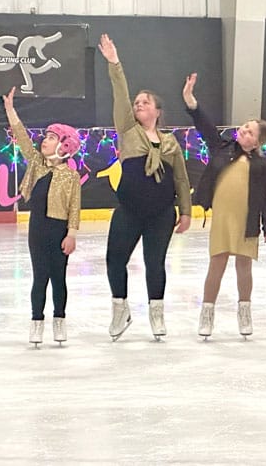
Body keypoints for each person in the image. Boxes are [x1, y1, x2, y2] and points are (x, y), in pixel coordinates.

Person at [97, 33, 192, 341]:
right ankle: (120, 308)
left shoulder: (170, 143)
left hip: (161, 213)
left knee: (155, 263)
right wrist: (115, 63)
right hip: (129, 210)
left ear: (157, 111)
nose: (138, 104)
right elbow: (120, 93)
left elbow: (181, 179)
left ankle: (156, 312)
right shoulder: (128, 131)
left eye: (145, 102)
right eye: (136, 102)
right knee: (115, 259)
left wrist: (186, 212)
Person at [182, 73, 266, 340]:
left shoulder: (262, 165)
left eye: (250, 132)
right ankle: (207, 312)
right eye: (244, 127)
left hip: (247, 220)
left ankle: (244, 311)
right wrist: (191, 101)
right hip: (223, 219)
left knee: (244, 266)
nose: (244, 131)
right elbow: (205, 126)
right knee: (217, 263)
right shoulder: (221, 147)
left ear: (257, 142)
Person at [3, 87, 81, 347]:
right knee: (40, 277)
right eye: (45, 137)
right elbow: (22, 137)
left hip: (60, 231)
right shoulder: (37, 163)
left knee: (58, 278)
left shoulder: (71, 176)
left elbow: (74, 208)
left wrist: (71, 234)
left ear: (65, 145)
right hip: (38, 228)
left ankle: (59, 320)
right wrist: (10, 110)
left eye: (51, 138)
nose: (44, 141)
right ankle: (37, 321)